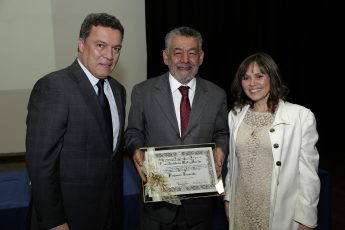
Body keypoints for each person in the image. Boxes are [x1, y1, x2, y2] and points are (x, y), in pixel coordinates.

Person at [25, 13, 126, 230]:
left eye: (116, 48)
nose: (109, 55)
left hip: (109, 214)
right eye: (101, 45)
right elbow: (40, 165)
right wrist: (55, 222)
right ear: (81, 44)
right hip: (67, 218)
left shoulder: (118, 91)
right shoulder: (54, 87)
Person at [124, 26, 229, 230]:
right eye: (177, 52)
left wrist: (221, 149)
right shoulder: (143, 92)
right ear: (166, 57)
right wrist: (136, 149)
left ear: (201, 57)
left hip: (200, 209)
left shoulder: (217, 95)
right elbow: (133, 133)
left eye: (192, 53)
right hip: (158, 207)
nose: (185, 59)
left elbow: (222, 133)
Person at [224, 52, 320, 230]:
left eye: (259, 76)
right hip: (241, 208)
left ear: (272, 77)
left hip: (278, 211)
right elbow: (233, 163)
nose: (252, 83)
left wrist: (306, 219)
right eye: (246, 77)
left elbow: (309, 176)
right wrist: (228, 198)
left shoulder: (300, 116)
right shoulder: (235, 115)